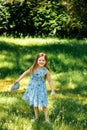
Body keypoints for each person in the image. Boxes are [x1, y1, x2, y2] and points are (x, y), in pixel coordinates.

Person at [15, 52, 56, 123]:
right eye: (40, 60)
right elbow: (25, 73)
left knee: (44, 104)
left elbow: (50, 81)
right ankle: (36, 117)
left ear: (46, 61)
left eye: (43, 60)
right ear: (37, 61)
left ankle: (47, 119)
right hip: (33, 89)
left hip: (41, 90)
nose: (41, 62)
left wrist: (52, 90)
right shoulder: (33, 68)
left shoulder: (46, 71)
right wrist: (18, 80)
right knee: (35, 104)